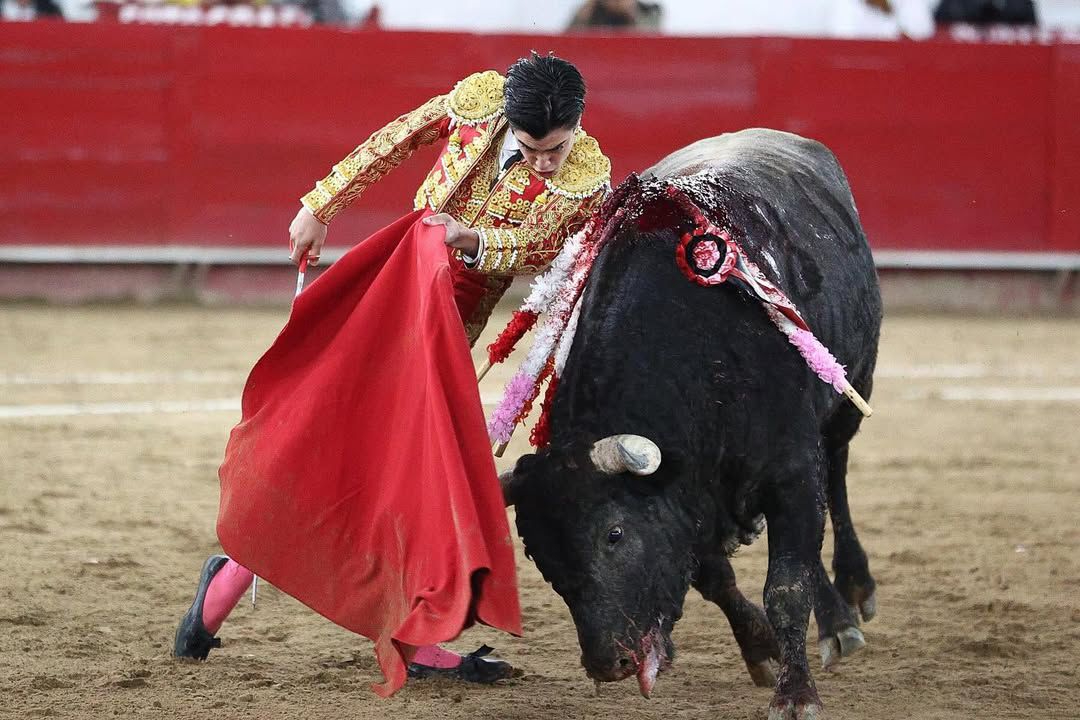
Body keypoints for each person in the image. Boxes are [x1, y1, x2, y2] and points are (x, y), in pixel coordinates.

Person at [174, 53, 611, 689]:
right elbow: (395, 139)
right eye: (530, 148)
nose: (545, 163)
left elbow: (540, 248)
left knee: (393, 465)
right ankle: (242, 582)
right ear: (508, 122)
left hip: (447, 324)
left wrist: (472, 240)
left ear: (578, 124)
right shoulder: (479, 102)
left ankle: (250, 590)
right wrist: (321, 205)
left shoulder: (588, 178)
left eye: (557, 149)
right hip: (391, 284)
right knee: (340, 440)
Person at [567, 0, 662, 31]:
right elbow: (569, 44)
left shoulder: (650, 11)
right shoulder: (591, 11)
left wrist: (631, 13)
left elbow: (650, 45)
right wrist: (586, 14)